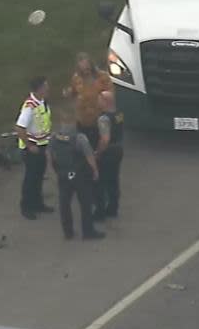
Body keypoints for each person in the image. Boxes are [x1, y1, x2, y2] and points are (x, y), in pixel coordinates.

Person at [49, 108, 105, 240]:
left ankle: (68, 232)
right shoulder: (79, 138)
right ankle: (88, 232)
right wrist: (95, 170)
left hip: (63, 174)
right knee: (85, 203)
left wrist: (52, 171)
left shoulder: (54, 137)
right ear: (74, 122)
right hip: (80, 175)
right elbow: (89, 156)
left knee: (64, 203)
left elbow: (50, 156)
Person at [15, 76, 54, 220]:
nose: (48, 88)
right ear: (39, 89)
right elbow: (20, 128)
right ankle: (26, 206)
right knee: (30, 179)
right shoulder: (29, 106)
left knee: (38, 177)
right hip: (32, 148)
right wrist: (29, 145)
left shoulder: (42, 102)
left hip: (42, 145)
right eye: (45, 86)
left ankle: (38, 203)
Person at [62, 52, 113, 149]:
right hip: (82, 119)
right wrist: (68, 92)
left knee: (101, 145)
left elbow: (110, 95)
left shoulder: (103, 77)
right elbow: (73, 91)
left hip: (99, 119)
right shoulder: (76, 78)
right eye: (83, 69)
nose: (86, 71)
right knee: (84, 146)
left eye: (88, 68)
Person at [95, 90, 124, 219]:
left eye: (99, 100)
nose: (97, 102)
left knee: (101, 182)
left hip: (108, 152)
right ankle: (113, 208)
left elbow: (105, 139)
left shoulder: (104, 118)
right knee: (114, 180)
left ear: (105, 102)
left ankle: (99, 212)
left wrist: (98, 152)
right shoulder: (119, 114)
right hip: (118, 149)